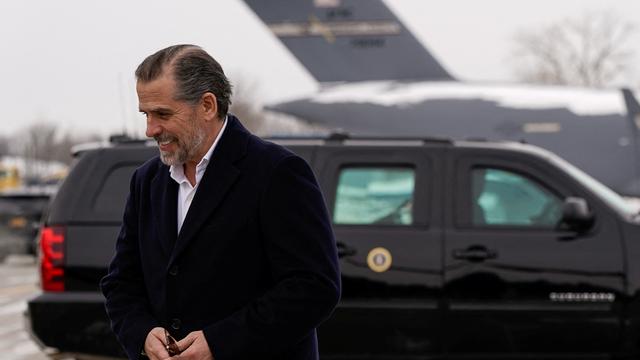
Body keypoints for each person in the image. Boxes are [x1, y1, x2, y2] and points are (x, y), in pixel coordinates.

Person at [100, 44, 341, 360]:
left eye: (163, 114)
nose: (150, 129)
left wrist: (219, 342)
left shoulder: (277, 172)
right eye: (146, 114)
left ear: (208, 106)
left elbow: (314, 288)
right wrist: (142, 333)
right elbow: (122, 283)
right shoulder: (147, 181)